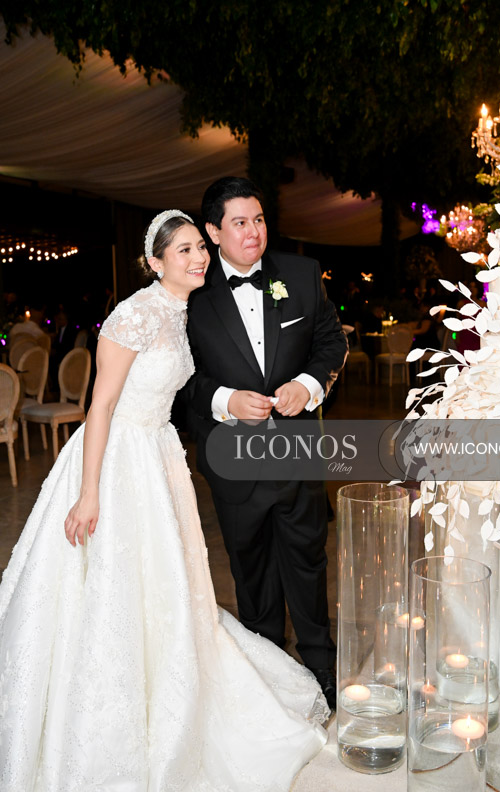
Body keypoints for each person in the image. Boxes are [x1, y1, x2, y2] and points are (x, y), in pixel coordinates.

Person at [0, 210, 328, 792]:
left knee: (171, 598)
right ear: (154, 261)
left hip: (158, 461)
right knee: (108, 601)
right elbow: (100, 407)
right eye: (183, 250)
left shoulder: (187, 312)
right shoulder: (133, 316)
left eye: (197, 249)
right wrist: (88, 493)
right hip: (115, 464)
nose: (197, 259)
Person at [184, 177, 347, 709]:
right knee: (251, 572)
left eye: (258, 219)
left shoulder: (300, 275)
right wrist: (225, 400)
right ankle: (266, 672)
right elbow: (180, 379)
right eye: (239, 222)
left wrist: (310, 384)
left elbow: (329, 341)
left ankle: (322, 667)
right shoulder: (190, 293)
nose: (253, 232)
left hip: (297, 452)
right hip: (232, 459)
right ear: (213, 232)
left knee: (308, 562)